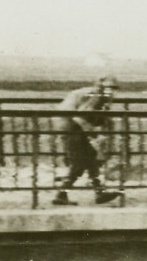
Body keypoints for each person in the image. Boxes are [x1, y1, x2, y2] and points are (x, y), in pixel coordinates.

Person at [51, 75, 121, 206]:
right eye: (108, 88)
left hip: (75, 130)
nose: (111, 91)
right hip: (73, 130)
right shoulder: (95, 96)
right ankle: (62, 194)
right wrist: (94, 135)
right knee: (79, 165)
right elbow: (79, 117)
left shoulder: (99, 97)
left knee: (90, 160)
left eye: (114, 88)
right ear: (101, 87)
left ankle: (98, 193)